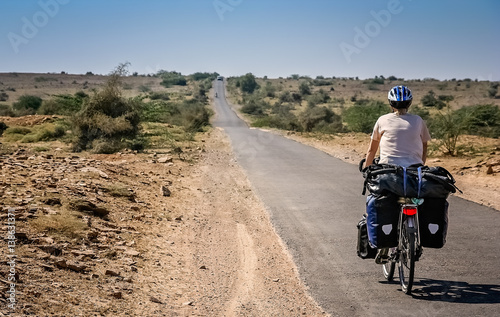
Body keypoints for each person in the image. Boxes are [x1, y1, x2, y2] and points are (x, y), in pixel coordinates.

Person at [364, 85, 431, 264]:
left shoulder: (382, 120)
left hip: (388, 175)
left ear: (391, 104)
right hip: (413, 173)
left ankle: (384, 247)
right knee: (414, 200)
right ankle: (416, 238)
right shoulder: (418, 121)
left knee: (383, 202)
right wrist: (419, 166)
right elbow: (424, 148)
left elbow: (371, 151)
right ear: (409, 103)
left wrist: (367, 169)